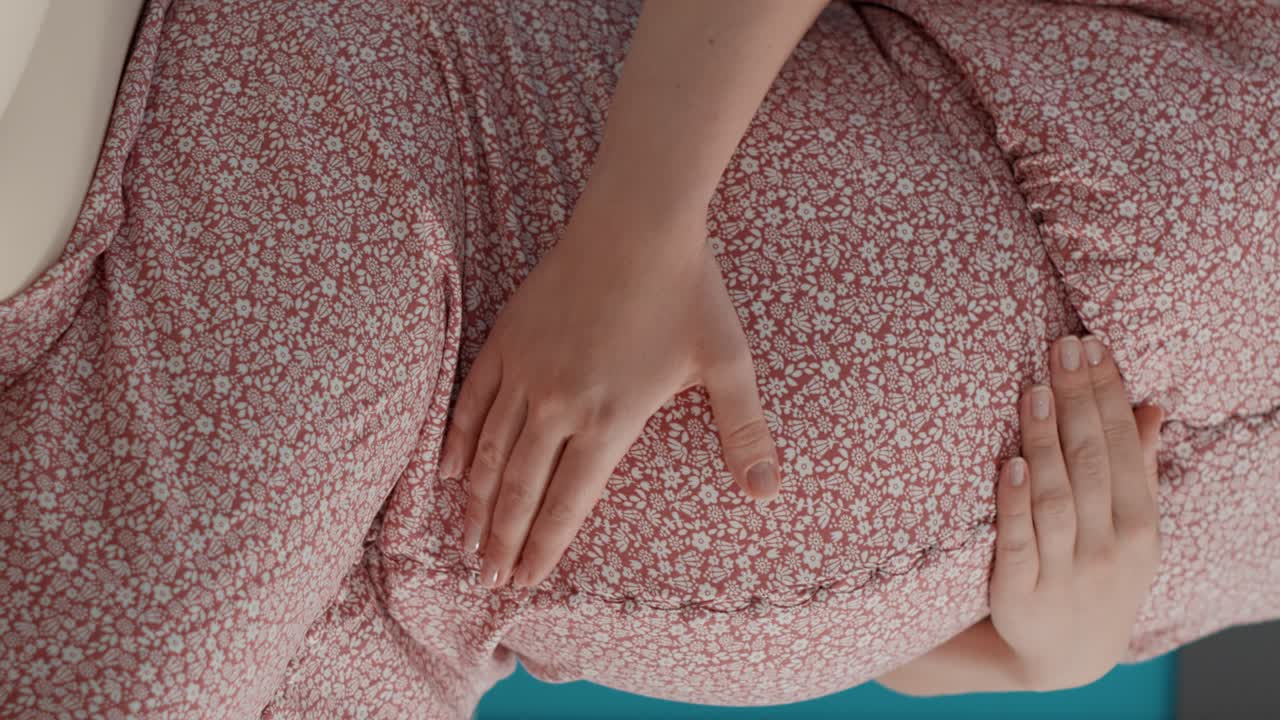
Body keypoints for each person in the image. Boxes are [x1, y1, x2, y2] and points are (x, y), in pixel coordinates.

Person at [2, 1, 1277, 718]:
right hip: (434, 177)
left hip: (440, 614)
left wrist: (1050, 654)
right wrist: (640, 221)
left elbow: (911, 626)